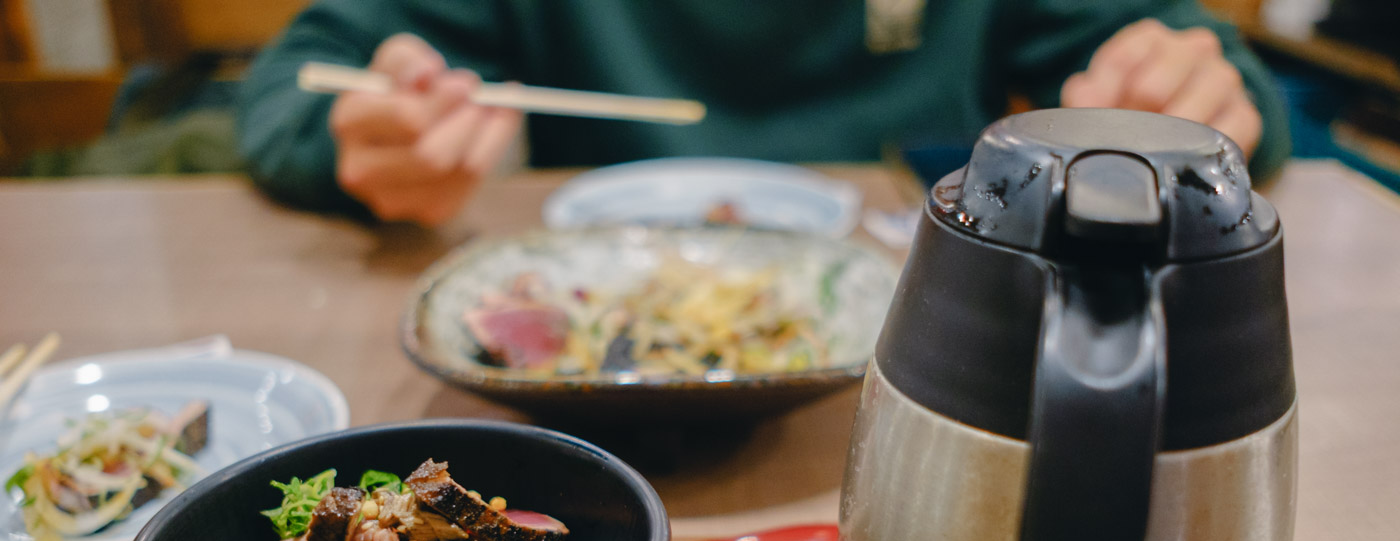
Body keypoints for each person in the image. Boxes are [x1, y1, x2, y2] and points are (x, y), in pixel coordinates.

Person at [237, 0, 1289, 226]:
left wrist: (1199, 98)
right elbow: (300, 83)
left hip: (932, 347)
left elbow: (1220, 81)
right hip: (580, 385)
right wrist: (366, 140)